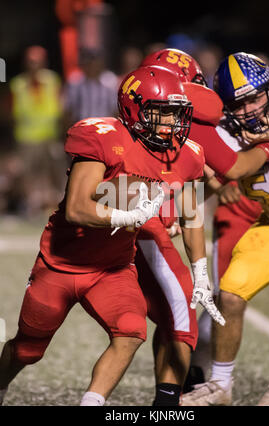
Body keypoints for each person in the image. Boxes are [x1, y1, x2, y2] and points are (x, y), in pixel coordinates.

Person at [0, 64, 224, 407]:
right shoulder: (102, 136)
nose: (170, 125)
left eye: (175, 115)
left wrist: (201, 272)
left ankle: (93, 403)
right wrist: (129, 215)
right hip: (61, 265)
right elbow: (76, 208)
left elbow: (192, 215)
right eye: (160, 114)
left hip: (113, 269)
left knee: (132, 331)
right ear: (134, 109)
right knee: (28, 350)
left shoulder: (187, 154)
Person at [136, 48, 269, 402]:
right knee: (180, 314)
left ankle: (169, 394)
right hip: (146, 221)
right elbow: (226, 166)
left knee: (141, 326)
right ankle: (171, 398)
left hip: (143, 216)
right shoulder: (188, 111)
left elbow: (190, 179)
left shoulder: (143, 108)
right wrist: (268, 151)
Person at [181, 52, 269, 406]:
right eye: (239, 103)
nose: (248, 109)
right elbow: (204, 171)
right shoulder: (228, 133)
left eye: (254, 98)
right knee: (229, 295)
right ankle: (220, 385)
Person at [9, 45, 65, 216]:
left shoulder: (52, 80)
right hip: (27, 137)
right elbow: (13, 112)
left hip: (50, 135)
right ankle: (32, 206)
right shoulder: (17, 84)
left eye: (37, 62)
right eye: (31, 62)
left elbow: (60, 105)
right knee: (29, 173)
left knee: (56, 169)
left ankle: (60, 203)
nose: (34, 65)